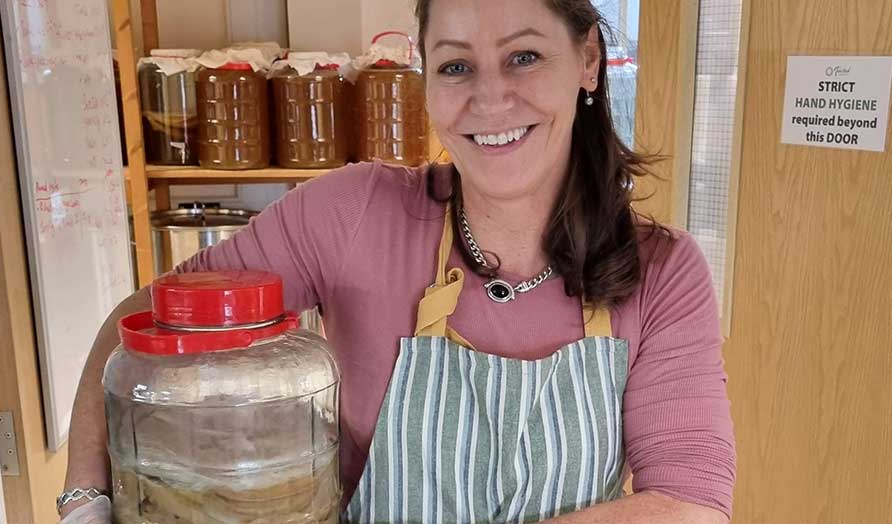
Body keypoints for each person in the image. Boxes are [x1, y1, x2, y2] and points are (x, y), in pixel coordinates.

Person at [60, 0, 736, 522]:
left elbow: (687, 501)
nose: (490, 98)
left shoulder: (663, 271)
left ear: (587, 59)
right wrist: (87, 497)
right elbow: (153, 319)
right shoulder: (353, 214)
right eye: (455, 65)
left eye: (524, 56)